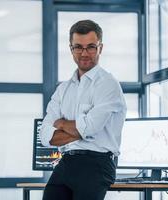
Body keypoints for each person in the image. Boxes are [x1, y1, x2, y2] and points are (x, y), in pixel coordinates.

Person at [40, 19, 127, 200]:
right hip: (66, 161)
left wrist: (61, 123)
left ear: (100, 48)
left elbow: (91, 128)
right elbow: (45, 135)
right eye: (78, 47)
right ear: (71, 49)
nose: (84, 53)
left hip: (97, 163)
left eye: (91, 47)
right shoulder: (63, 89)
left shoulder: (108, 84)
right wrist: (82, 129)